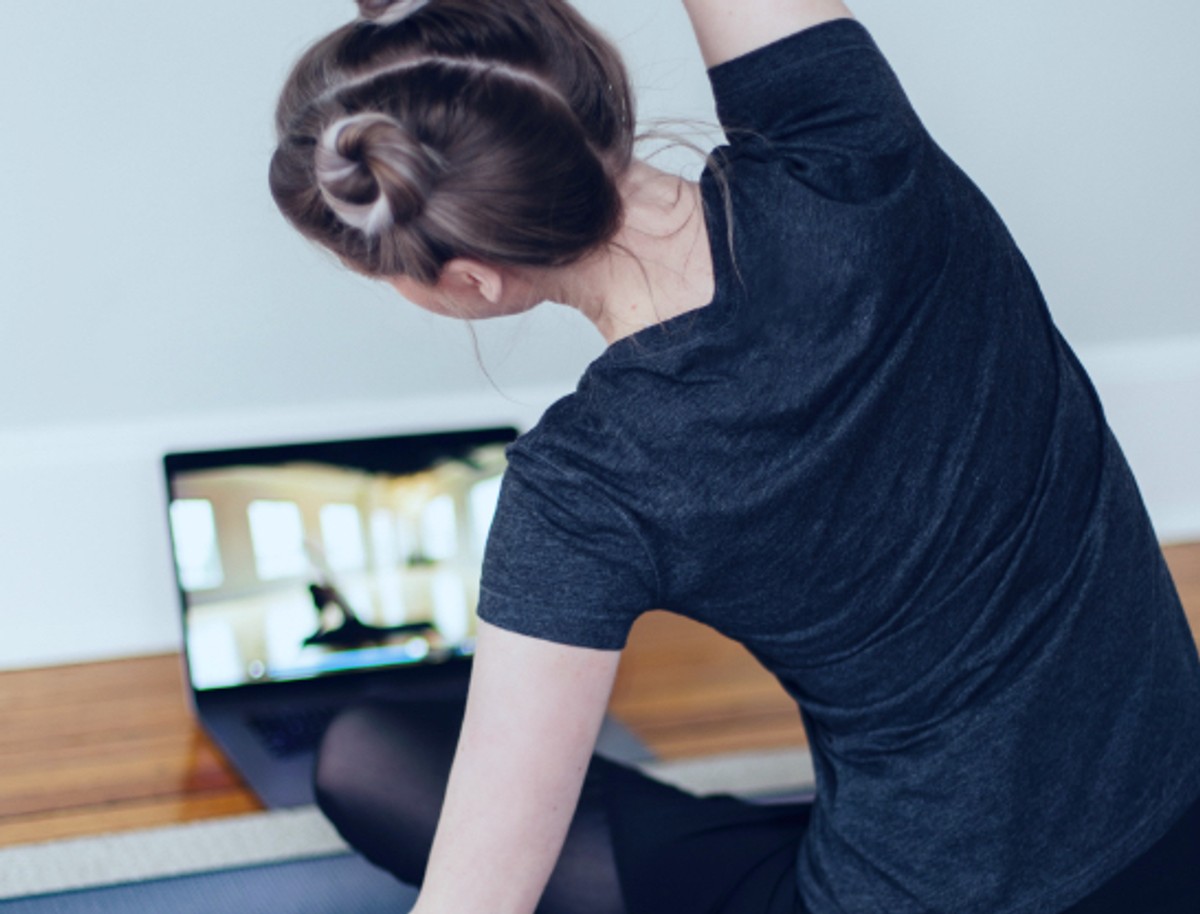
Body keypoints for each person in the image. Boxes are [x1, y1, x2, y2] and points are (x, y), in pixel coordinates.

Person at [268, 1, 1200, 911]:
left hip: (928, 891)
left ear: (471, 281)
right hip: (1179, 813)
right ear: (585, 81)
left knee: (366, 758)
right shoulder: (853, 143)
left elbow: (481, 898)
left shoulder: (585, 489)